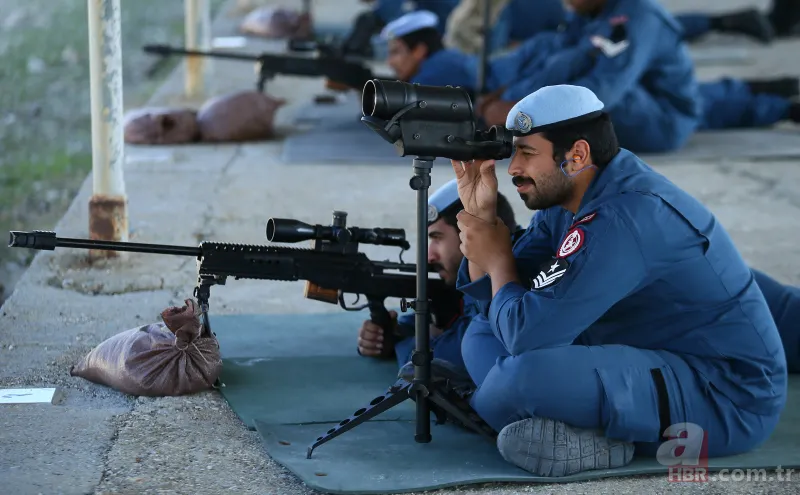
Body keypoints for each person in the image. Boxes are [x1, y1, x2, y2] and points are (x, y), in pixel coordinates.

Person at [444, 84, 787, 477]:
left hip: (724, 394)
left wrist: (498, 259)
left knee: (522, 376)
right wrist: (482, 218)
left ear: (576, 155)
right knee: (481, 334)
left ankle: (588, 434)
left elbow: (525, 334)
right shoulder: (574, 193)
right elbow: (497, 304)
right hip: (644, 351)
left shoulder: (624, 217)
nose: (513, 169)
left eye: (527, 152)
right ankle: (531, 414)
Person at [380, 8, 800, 154]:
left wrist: (514, 103)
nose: (392, 62)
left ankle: (768, 98)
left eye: (397, 52)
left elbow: (601, 87)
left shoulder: (631, 17)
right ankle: (767, 97)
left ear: (420, 51)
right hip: (660, 103)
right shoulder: (592, 19)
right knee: (701, 102)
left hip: (648, 108)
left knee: (616, 99)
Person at [356, 179, 520, 370]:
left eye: (437, 238)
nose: (429, 257)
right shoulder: (464, 278)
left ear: (470, 235)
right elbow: (422, 319)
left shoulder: (505, 281)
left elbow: (437, 361)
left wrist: (400, 343)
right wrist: (389, 334)